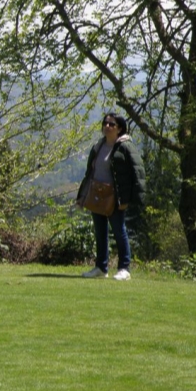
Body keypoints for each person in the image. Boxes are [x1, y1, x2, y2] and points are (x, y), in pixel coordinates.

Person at [77, 112, 145, 281]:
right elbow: (90, 172)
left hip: (116, 197)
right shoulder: (98, 146)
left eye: (112, 124)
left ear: (119, 128)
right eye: (105, 123)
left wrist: (131, 200)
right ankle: (101, 267)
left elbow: (138, 173)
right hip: (98, 195)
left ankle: (124, 268)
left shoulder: (125, 147)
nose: (107, 126)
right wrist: (83, 195)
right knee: (100, 232)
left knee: (119, 231)